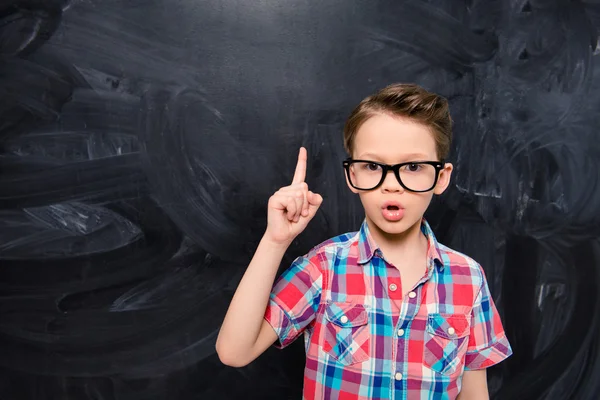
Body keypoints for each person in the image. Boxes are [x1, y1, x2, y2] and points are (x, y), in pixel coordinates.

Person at [216, 83, 513, 399]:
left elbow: (474, 394)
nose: (392, 185)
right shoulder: (324, 267)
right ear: (352, 176)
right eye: (373, 166)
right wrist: (275, 241)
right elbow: (235, 351)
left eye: (413, 167)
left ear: (440, 177)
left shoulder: (468, 278)